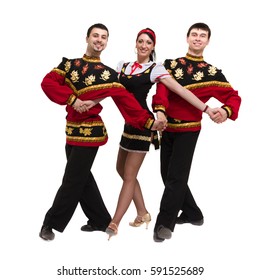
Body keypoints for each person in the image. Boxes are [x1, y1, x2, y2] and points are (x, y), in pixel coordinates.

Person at [39, 23, 166, 241]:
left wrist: (148, 122)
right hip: (71, 130)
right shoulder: (68, 65)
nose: (99, 40)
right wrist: (72, 99)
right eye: (95, 36)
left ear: (106, 43)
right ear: (87, 38)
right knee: (82, 177)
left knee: (72, 179)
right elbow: (47, 83)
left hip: (91, 134)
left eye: (104, 37)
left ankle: (50, 223)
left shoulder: (108, 74)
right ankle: (100, 220)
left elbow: (126, 101)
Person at [104, 28, 218, 240]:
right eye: (141, 41)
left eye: (148, 42)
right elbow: (107, 88)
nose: (144, 45)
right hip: (127, 125)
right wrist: (87, 101)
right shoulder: (122, 66)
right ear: (135, 43)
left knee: (131, 176)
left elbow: (181, 91)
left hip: (144, 125)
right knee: (121, 170)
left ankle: (115, 222)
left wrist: (206, 109)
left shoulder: (155, 69)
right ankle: (143, 213)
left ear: (153, 46)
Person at [152, 22, 242, 242]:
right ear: (187, 38)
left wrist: (225, 111)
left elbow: (233, 96)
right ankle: (193, 213)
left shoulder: (212, 72)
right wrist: (160, 112)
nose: (198, 38)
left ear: (208, 41)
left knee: (175, 178)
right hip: (166, 127)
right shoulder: (171, 65)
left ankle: (164, 225)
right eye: (194, 34)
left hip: (189, 130)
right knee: (167, 175)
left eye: (203, 36)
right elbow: (161, 90)